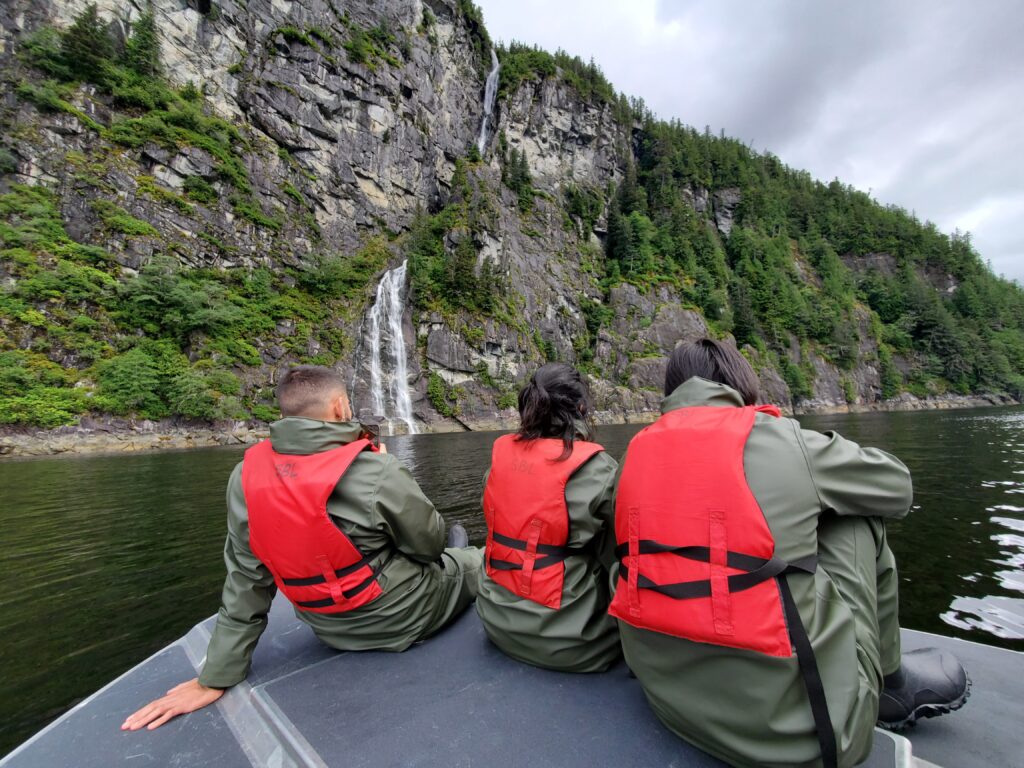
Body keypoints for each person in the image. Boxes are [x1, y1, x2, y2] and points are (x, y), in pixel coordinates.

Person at [609, 339, 969, 768]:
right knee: (857, 514)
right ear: (741, 383)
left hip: (670, 706)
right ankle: (890, 685)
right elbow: (896, 487)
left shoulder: (631, 455)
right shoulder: (781, 437)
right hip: (801, 738)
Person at [123, 365, 482, 731]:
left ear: (284, 413)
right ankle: (465, 560)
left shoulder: (244, 476)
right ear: (340, 407)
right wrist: (391, 473)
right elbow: (428, 547)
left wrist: (214, 678)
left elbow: (247, 578)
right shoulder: (375, 469)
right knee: (476, 558)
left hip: (329, 628)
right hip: (405, 616)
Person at [476, 363, 620, 672]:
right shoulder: (598, 469)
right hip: (573, 641)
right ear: (581, 408)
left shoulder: (497, 463)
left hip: (496, 620)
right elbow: (618, 556)